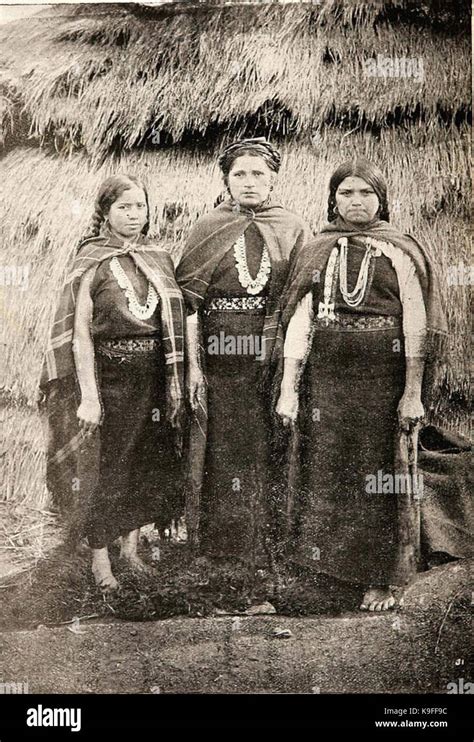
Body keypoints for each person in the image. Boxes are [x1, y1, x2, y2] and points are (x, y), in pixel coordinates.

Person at [276, 157, 447, 611]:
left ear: (382, 199)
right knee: (327, 471)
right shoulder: (317, 248)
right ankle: (329, 571)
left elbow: (416, 321)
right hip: (326, 383)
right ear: (333, 198)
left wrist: (411, 392)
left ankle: (383, 577)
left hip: (383, 382)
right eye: (347, 192)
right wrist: (290, 390)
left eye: (365, 193)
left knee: (381, 476)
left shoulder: (400, 249)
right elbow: (300, 322)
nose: (355, 201)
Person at [40, 175, 185, 592]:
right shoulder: (91, 260)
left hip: (153, 381)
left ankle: (131, 550)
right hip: (109, 379)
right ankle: (100, 560)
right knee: (109, 468)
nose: (133, 214)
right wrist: (89, 396)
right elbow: (79, 334)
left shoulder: (158, 257)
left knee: (144, 462)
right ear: (105, 212)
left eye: (140, 206)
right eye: (124, 207)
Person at [176, 138, 310, 571]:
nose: (249, 182)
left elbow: (303, 299)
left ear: (273, 178)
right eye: (239, 174)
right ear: (226, 180)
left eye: (258, 174)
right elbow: (189, 304)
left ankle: (266, 549)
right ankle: (220, 551)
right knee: (222, 450)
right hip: (219, 360)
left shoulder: (291, 226)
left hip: (270, 359)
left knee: (266, 449)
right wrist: (195, 367)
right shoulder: (207, 227)